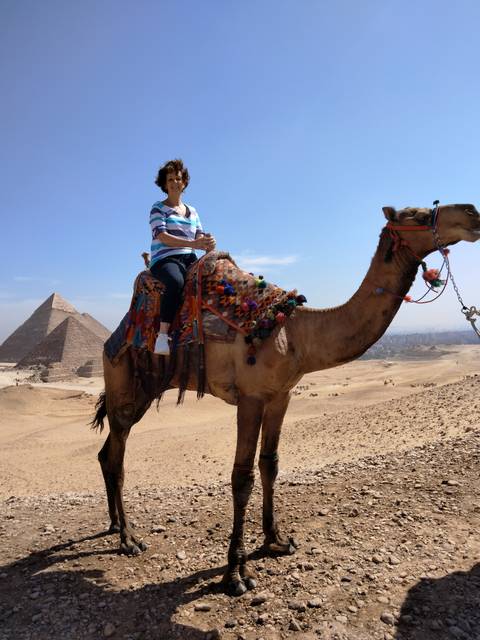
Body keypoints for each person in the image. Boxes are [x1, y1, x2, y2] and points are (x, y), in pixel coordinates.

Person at [149, 159, 216, 355]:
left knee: (214, 278)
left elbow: (199, 236)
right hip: (165, 259)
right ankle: (162, 336)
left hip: (189, 258)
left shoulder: (193, 211)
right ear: (164, 183)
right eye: (170, 179)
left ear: (184, 182)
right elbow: (162, 236)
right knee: (177, 282)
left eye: (178, 178)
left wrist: (208, 242)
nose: (174, 182)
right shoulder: (158, 208)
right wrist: (193, 244)